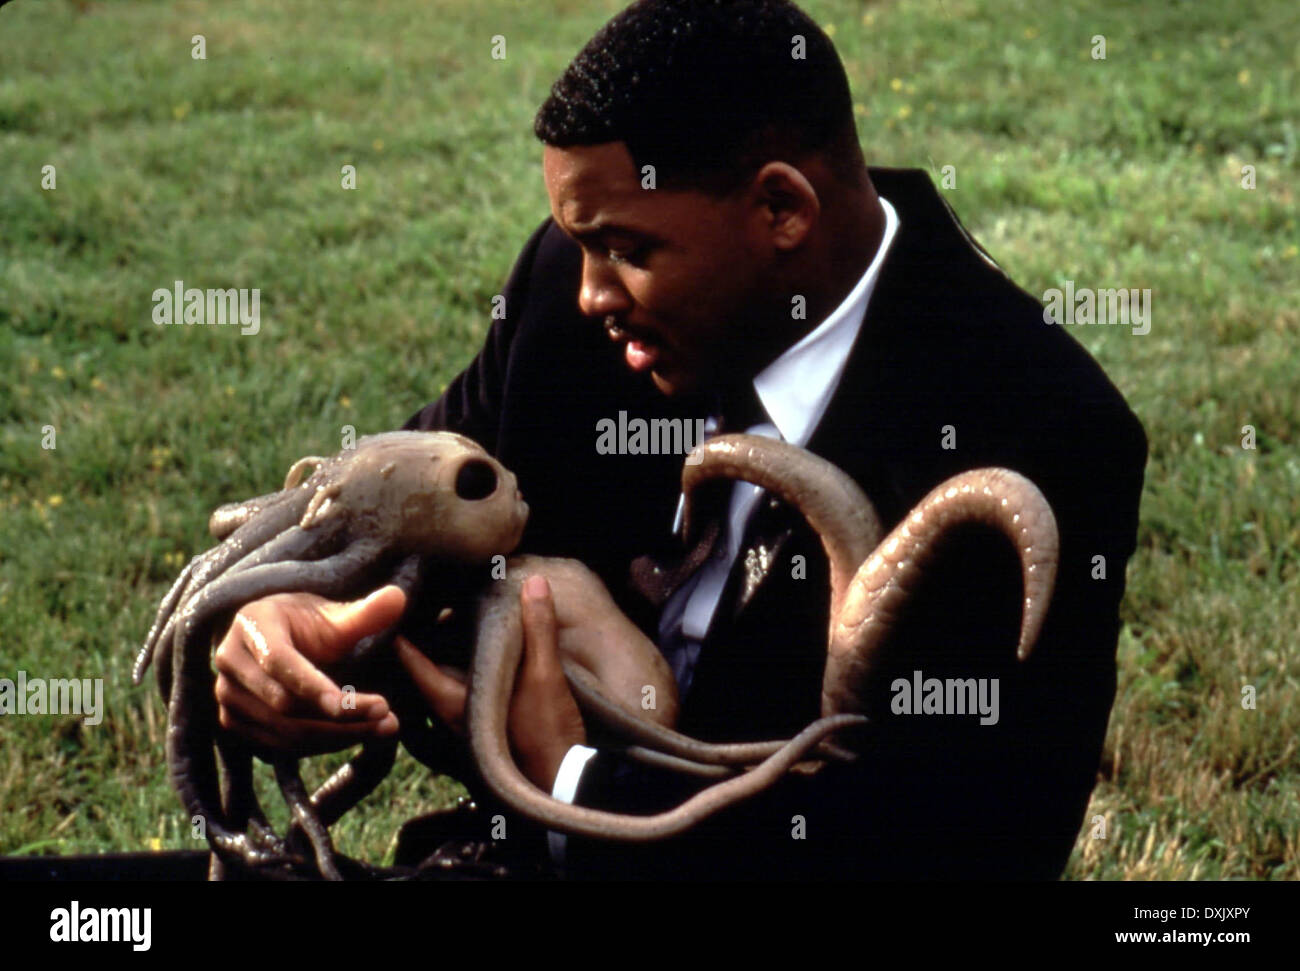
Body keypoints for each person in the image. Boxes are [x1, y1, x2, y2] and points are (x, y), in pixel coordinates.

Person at [212, 0, 1147, 879]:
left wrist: (567, 778)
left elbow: (967, 847)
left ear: (782, 210)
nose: (588, 292)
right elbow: (406, 504)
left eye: (627, 249)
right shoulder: (573, 295)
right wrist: (287, 611)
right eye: (580, 244)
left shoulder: (1039, 428)